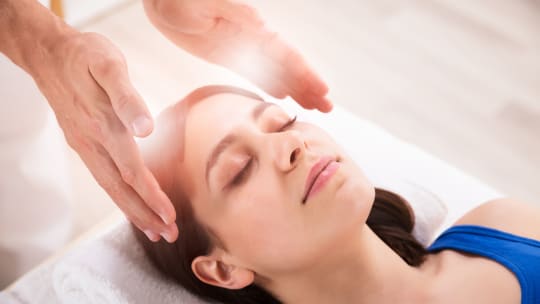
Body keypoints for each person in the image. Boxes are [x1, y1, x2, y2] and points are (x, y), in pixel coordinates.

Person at [134, 85, 540, 304]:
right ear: (223, 269)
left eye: (281, 122)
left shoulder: (506, 224)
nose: (291, 144)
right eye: (239, 170)